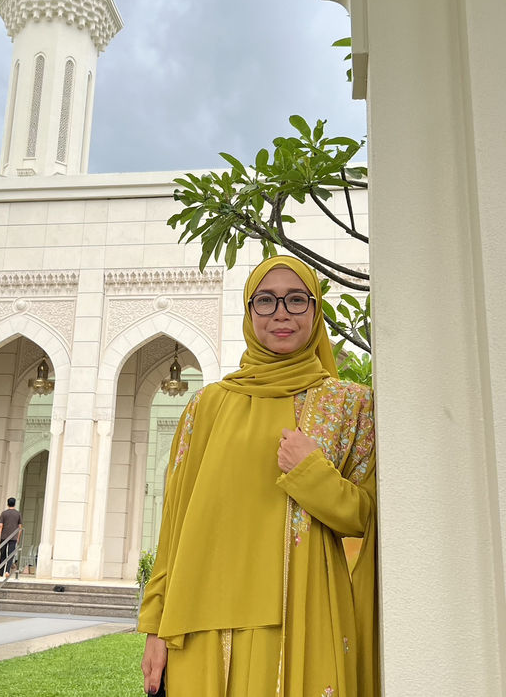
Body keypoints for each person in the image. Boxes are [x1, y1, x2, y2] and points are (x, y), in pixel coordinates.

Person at [139, 255, 378, 697]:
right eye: (265, 301)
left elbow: (368, 521)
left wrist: (313, 475)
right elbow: (174, 525)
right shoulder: (206, 406)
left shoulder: (352, 405)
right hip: (204, 624)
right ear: (249, 314)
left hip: (304, 611)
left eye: (296, 300)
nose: (281, 312)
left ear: (316, 309)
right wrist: (155, 627)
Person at [0, 497, 23, 577]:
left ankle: (0, 572)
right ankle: (7, 571)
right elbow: (20, 527)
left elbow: (0, 526)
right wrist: (18, 537)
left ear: (8, 504)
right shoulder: (18, 514)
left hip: (4, 537)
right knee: (10, 555)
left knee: (3, 554)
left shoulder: (4, 513)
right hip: (13, 537)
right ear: (14, 504)